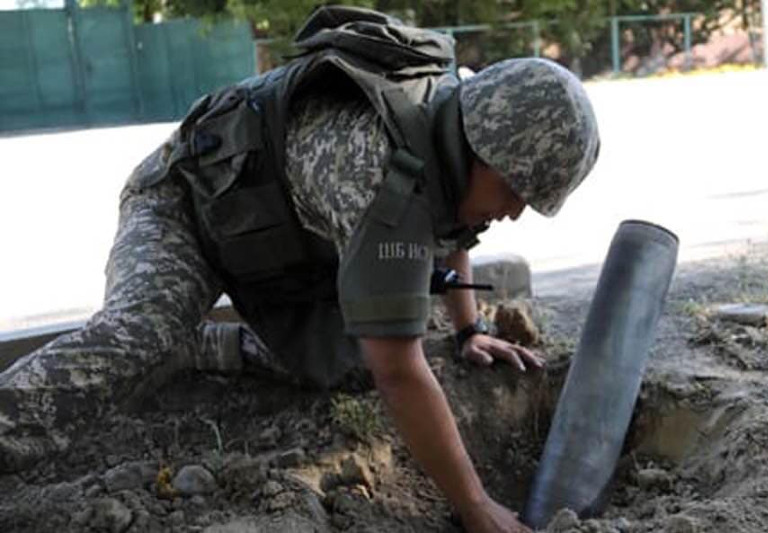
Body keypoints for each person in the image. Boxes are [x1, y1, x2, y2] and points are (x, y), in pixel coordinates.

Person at [0, 6, 599, 533]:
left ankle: (203, 348)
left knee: (344, 367)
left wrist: (468, 329)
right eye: (517, 189)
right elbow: (399, 370)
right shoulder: (379, 178)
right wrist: (475, 505)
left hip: (284, 245)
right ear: (481, 145)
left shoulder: (454, 130)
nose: (517, 211)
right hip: (182, 206)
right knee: (142, 336)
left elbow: (454, 221)